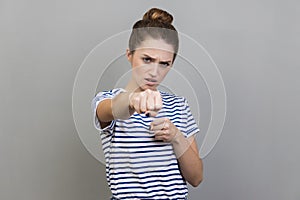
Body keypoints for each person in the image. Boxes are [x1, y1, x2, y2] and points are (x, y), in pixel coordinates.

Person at [92, 7, 203, 200]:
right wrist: (132, 100)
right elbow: (111, 110)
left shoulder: (179, 106)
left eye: (164, 63)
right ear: (129, 55)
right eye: (147, 59)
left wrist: (176, 136)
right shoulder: (107, 99)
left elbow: (196, 178)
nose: (154, 72)